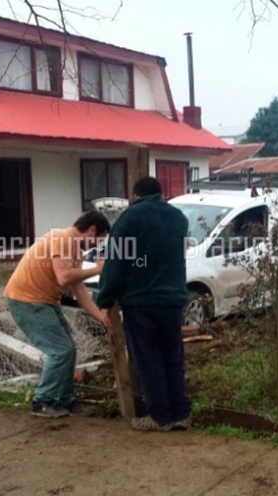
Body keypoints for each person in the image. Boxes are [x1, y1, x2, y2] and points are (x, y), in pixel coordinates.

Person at [96, 177, 192, 432]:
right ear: (160, 194)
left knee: (149, 360)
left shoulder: (130, 218)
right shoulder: (178, 218)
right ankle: (181, 414)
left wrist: (104, 300)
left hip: (142, 301)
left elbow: (116, 263)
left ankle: (160, 418)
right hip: (174, 300)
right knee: (173, 357)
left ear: (135, 195)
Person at [4, 211, 111, 418]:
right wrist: (98, 269)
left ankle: (64, 401)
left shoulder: (76, 252)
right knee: (60, 351)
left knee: (68, 350)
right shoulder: (61, 238)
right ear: (91, 230)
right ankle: (43, 401)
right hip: (26, 300)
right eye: (100, 240)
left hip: (44, 302)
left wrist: (101, 317)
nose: (98, 246)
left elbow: (78, 290)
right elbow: (64, 278)